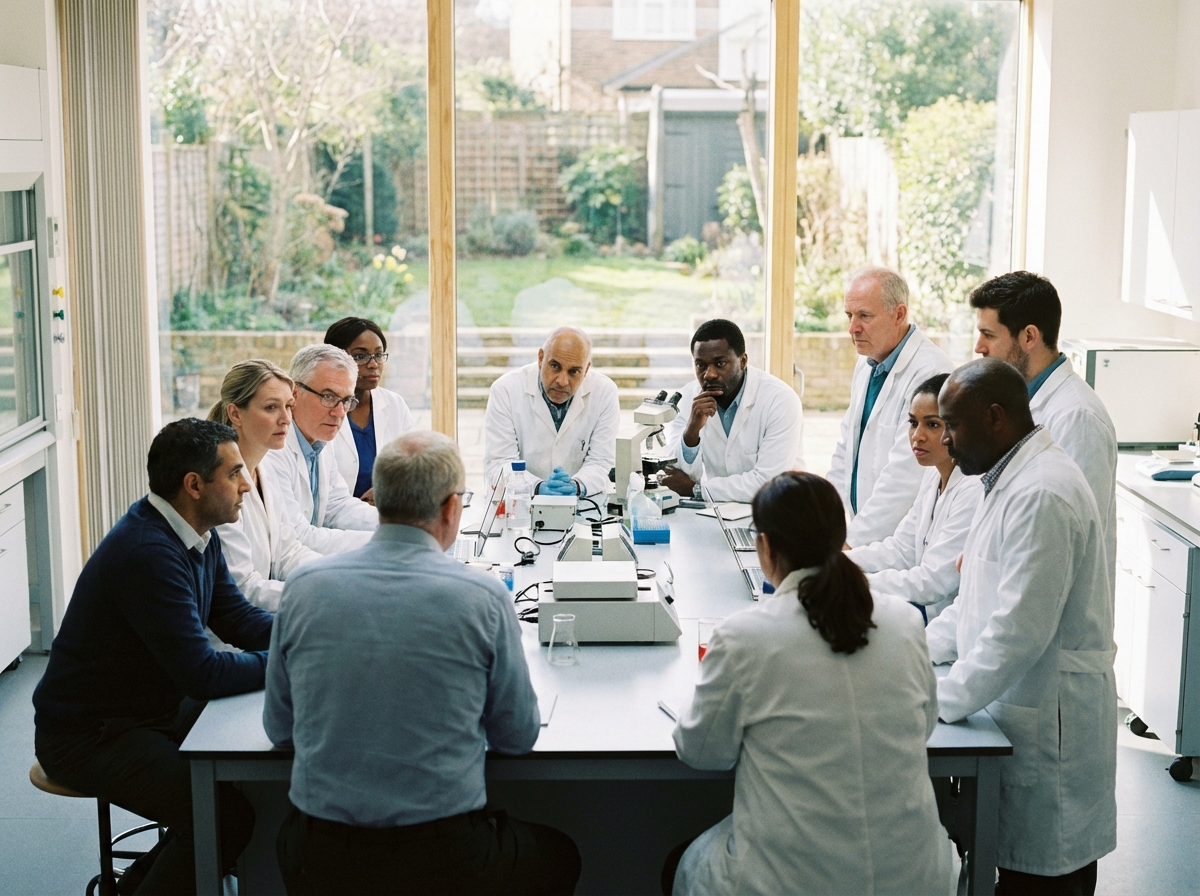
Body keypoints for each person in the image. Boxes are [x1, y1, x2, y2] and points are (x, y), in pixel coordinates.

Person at [266, 431, 581, 895]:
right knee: (560, 855)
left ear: (379, 500)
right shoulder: (482, 596)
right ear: (452, 509)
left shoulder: (303, 588)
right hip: (444, 859)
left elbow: (280, 730)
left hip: (321, 859)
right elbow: (517, 736)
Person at [665, 472, 953, 895]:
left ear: (764, 547)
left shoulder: (746, 636)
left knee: (681, 862)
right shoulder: (905, 622)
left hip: (792, 881)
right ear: (840, 540)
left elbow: (702, 752)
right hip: (912, 876)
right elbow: (924, 727)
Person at [32, 418, 275, 895]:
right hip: (90, 736)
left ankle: (134, 887)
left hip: (144, 712)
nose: (248, 485)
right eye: (235, 473)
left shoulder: (197, 531)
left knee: (245, 773)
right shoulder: (148, 552)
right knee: (225, 817)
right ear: (194, 485)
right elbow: (202, 673)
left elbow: (240, 620)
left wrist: (312, 636)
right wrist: (290, 660)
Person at [925, 359, 1116, 895]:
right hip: (1014, 711)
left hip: (1050, 730)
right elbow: (973, 604)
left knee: (1046, 883)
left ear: (994, 418)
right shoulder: (1003, 479)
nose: (945, 441)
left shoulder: (1042, 494)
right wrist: (907, 658)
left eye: (951, 426)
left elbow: (1018, 632)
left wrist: (935, 700)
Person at [970, 271, 1117, 564]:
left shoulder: (1077, 418)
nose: (979, 347)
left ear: (1028, 336)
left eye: (988, 335)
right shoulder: (1019, 402)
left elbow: (1069, 536)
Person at [828, 267, 953, 547]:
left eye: (864, 316)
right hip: (863, 532)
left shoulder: (930, 371)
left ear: (899, 314)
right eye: (850, 316)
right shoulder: (868, 361)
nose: (853, 328)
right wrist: (825, 521)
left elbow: (904, 477)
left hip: (898, 540)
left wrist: (851, 545)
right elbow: (845, 448)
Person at [846, 373, 982, 623]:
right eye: (912, 423)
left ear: (959, 427)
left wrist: (849, 580)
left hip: (942, 622)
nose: (917, 436)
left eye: (932, 425)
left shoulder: (973, 489)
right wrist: (833, 561)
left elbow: (933, 582)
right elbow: (900, 550)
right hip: (919, 609)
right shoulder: (933, 476)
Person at [208, 360, 321, 612]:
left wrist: (333, 575)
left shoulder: (266, 467)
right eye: (271, 407)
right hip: (227, 636)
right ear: (235, 413)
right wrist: (319, 593)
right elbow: (242, 587)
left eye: (289, 406)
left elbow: (287, 553)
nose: (286, 419)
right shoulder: (218, 483)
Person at [662, 319, 804, 503]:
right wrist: (691, 431)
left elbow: (767, 483)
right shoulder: (686, 398)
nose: (709, 374)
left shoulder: (780, 400)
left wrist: (696, 490)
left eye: (720, 363)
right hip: (717, 512)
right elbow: (676, 476)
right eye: (701, 365)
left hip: (775, 512)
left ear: (743, 360)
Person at [262, 344, 377, 555]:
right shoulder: (272, 450)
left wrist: (402, 526)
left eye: (346, 400)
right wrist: (386, 542)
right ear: (294, 393)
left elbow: (337, 506)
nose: (339, 412)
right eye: (328, 397)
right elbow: (300, 536)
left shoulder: (320, 438)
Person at [483, 326, 620, 496]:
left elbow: (602, 461)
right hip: (522, 504)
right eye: (555, 366)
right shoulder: (506, 390)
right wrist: (537, 487)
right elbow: (499, 464)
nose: (562, 381)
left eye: (574, 372)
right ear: (541, 358)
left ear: (586, 370)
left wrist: (577, 486)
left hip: (581, 505)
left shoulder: (604, 392)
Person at [323, 316, 415, 504]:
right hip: (335, 523)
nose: (373, 364)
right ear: (335, 359)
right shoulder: (321, 411)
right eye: (360, 356)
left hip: (388, 510)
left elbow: (412, 467)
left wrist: (387, 491)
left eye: (379, 355)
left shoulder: (394, 404)